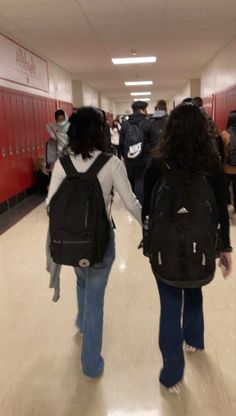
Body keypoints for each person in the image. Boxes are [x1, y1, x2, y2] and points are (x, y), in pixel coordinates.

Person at [142, 103, 232, 394]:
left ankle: (171, 377)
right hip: (200, 244)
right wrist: (225, 248)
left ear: (170, 131)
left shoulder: (158, 163)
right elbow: (221, 211)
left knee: (169, 307)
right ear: (202, 131)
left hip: (164, 247)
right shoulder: (213, 164)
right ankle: (195, 339)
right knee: (193, 289)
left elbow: (147, 208)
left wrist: (148, 242)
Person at [46, 107, 141, 378]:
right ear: (100, 132)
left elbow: (49, 204)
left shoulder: (63, 164)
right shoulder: (111, 163)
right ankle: (90, 364)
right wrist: (148, 228)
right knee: (95, 299)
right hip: (100, 242)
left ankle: (81, 321)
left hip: (70, 242)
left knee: (81, 278)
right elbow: (131, 203)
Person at [119, 100, 155, 203]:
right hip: (144, 159)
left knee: (130, 182)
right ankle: (142, 212)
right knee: (142, 183)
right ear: (142, 110)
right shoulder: (148, 123)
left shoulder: (125, 124)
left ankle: (131, 207)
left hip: (129, 160)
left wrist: (126, 156)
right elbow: (153, 143)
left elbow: (121, 143)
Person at [221, 109, 236, 218]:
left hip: (227, 167)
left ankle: (227, 207)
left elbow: (220, 151)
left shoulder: (224, 134)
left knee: (225, 188)